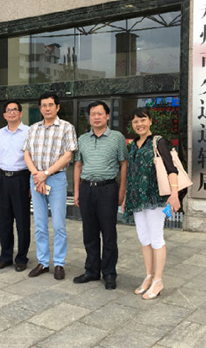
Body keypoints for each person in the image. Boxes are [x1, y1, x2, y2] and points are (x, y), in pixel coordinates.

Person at [122, 107, 180, 299]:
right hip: (138, 199)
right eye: (135, 121)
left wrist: (174, 194)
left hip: (156, 198)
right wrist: (127, 198)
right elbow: (132, 174)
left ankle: (158, 280)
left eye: (143, 120)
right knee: (144, 238)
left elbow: (171, 169)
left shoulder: (158, 141)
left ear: (150, 121)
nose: (139, 124)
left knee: (156, 238)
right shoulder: (133, 145)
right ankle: (148, 276)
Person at [22, 92, 78, 280]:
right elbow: (26, 153)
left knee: (59, 224)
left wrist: (45, 174)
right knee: (40, 224)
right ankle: (43, 262)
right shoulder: (33, 128)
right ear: (40, 108)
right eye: (44, 105)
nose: (47, 108)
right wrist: (36, 175)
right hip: (36, 179)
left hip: (56, 179)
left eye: (51, 105)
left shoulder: (66, 128)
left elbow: (67, 156)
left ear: (57, 107)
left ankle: (59, 263)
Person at [73, 100, 128, 290]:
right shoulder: (82, 139)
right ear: (89, 117)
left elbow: (124, 164)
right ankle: (91, 270)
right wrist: (77, 191)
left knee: (109, 233)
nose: (96, 117)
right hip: (87, 188)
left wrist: (122, 190)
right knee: (89, 232)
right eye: (92, 114)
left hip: (108, 189)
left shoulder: (117, 138)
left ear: (107, 116)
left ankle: (109, 273)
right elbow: (78, 165)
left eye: (100, 114)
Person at [0, 100, 31, 272]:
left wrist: (31, 184)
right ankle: (5, 256)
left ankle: (21, 257)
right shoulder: (0, 133)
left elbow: (33, 159)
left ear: (20, 113)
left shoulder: (29, 132)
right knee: (4, 221)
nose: (12, 112)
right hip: (3, 179)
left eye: (15, 110)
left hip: (21, 178)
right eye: (8, 110)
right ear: (4, 115)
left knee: (22, 221)